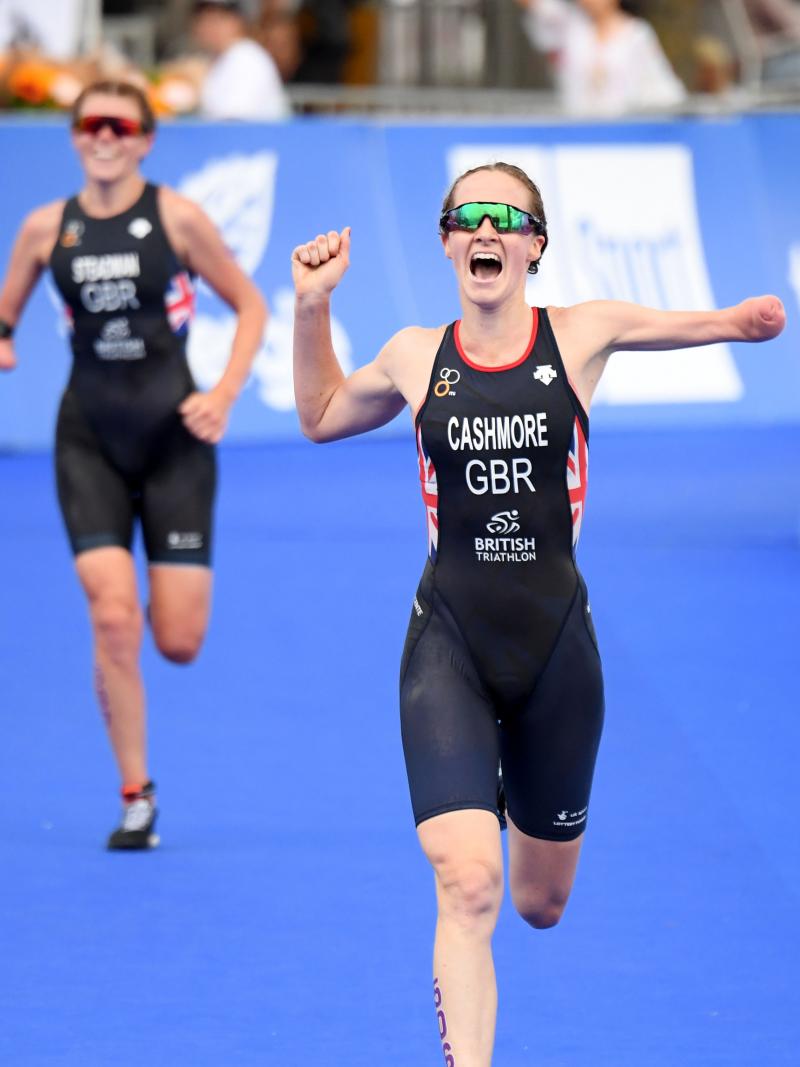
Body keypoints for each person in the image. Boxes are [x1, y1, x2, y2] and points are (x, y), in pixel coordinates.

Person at [291, 162, 786, 1065]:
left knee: (537, 903)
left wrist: (743, 322)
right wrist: (312, 306)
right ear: (446, 241)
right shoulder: (414, 354)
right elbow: (321, 413)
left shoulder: (579, 335)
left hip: (557, 652)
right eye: (466, 216)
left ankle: (517, 788)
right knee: (469, 883)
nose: (486, 229)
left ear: (534, 245)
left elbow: (684, 323)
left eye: (506, 217)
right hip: (449, 644)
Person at [0, 80, 267, 849]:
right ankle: (135, 794)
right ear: (75, 137)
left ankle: (152, 603)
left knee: (178, 641)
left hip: (175, 441)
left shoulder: (177, 218)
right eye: (91, 124)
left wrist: (223, 392)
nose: (105, 136)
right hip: (89, 439)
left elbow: (249, 303)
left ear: (146, 138)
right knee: (113, 615)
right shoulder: (43, 229)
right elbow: (6, 312)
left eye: (121, 124)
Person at [515, 0, 687, 115]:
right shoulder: (568, 26)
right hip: (573, 127)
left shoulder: (638, 34)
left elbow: (666, 90)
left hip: (623, 131)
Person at [191, 0, 291, 120]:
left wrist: (197, 89)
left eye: (220, 19)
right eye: (205, 20)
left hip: (258, 137)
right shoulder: (217, 60)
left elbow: (234, 119)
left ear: (238, 21)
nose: (211, 27)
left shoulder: (247, 55)